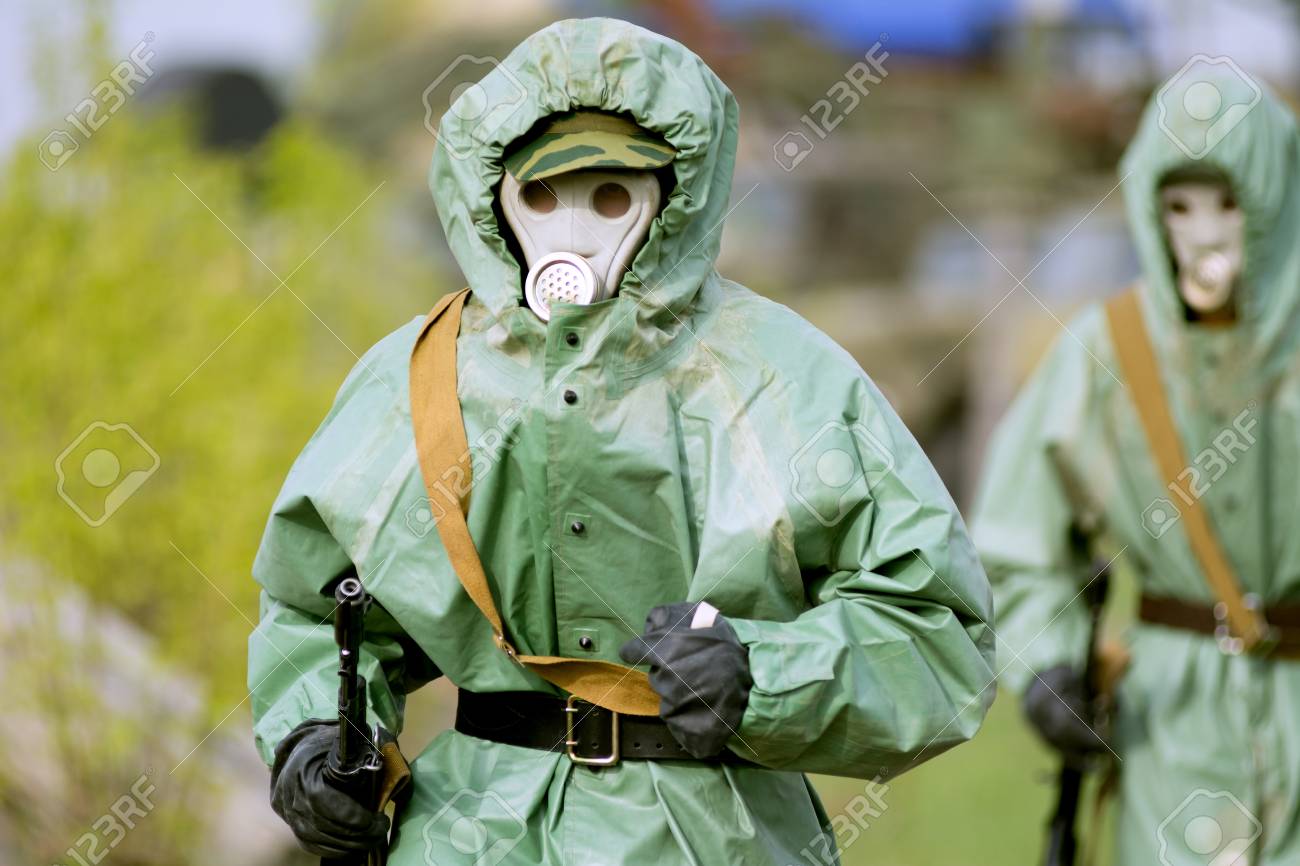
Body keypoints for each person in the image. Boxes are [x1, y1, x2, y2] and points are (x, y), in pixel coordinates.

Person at [250, 17, 994, 865]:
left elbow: (936, 629)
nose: (574, 230)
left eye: (611, 195)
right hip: (473, 834)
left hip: (711, 835)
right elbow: (321, 605)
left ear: (674, 196)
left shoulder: (784, 375)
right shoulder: (418, 377)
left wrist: (763, 674)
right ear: (490, 194)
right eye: (542, 196)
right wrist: (317, 735)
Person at [973, 64, 1300, 864]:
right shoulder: (1103, 352)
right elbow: (1015, 543)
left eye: (1230, 201)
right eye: (1179, 204)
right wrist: (1048, 663)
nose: (1206, 231)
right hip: (1168, 716)